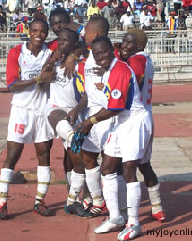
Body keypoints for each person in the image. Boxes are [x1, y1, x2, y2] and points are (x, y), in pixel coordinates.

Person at [78, 36, 152, 240]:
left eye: (104, 52)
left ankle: (134, 223)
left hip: (134, 122)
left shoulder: (119, 69)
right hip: (121, 122)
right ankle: (116, 217)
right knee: (107, 168)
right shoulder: (109, 71)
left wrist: (89, 121)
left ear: (112, 50)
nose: (100, 56)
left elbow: (115, 107)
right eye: (96, 54)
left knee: (129, 170)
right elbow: (112, 106)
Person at [0, 19, 55, 220]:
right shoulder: (16, 53)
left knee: (44, 154)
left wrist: (73, 56)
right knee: (13, 154)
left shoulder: (51, 50)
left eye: (43, 31)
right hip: (21, 110)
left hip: (44, 111)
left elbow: (77, 39)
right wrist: (38, 80)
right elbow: (12, 84)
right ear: (28, 32)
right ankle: (2, 203)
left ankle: (39, 202)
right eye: (35, 30)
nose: (39, 34)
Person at [119, 28, 166, 223]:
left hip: (134, 119)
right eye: (123, 41)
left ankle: (125, 212)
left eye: (128, 42)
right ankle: (157, 207)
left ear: (139, 45)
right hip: (146, 116)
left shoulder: (137, 60)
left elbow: (133, 83)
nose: (124, 45)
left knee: (125, 167)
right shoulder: (147, 60)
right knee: (144, 165)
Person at [69, 16, 113, 218]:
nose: (83, 35)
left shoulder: (109, 58)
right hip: (90, 114)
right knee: (87, 157)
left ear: (95, 34)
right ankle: (97, 200)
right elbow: (89, 91)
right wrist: (78, 109)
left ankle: (115, 203)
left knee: (111, 163)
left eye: (86, 32)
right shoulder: (88, 56)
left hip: (107, 116)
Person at [42, 28, 89, 216]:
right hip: (56, 111)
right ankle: (72, 137)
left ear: (74, 44)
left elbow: (88, 94)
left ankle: (73, 200)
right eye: (59, 41)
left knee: (77, 160)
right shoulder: (53, 63)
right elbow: (41, 85)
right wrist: (46, 72)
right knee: (55, 115)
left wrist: (76, 110)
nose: (61, 44)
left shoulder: (79, 65)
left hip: (74, 114)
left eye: (65, 41)